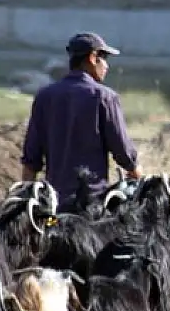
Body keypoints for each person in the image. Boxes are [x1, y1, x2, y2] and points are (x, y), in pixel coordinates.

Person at [20, 31, 143, 212]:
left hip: (55, 205)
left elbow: (31, 159)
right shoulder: (105, 97)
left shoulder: (45, 96)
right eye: (104, 58)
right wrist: (138, 177)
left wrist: (25, 200)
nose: (107, 66)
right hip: (91, 205)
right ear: (93, 58)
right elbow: (123, 152)